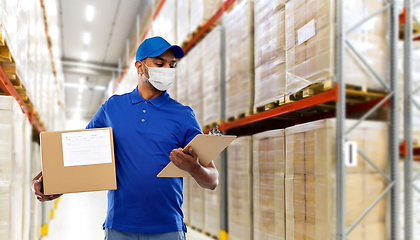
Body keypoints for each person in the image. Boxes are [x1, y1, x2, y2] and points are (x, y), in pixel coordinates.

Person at [32, 36, 219, 240]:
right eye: (160, 63)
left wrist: (194, 168)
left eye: (172, 65)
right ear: (140, 67)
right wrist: (49, 182)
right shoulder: (112, 108)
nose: (167, 69)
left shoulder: (183, 115)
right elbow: (78, 155)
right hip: (119, 227)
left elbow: (212, 180)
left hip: (167, 229)